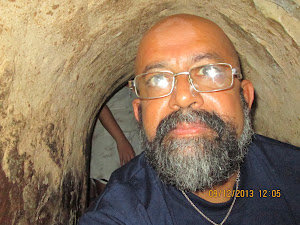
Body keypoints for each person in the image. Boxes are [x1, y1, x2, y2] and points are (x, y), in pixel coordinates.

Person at [80, 14, 300, 225]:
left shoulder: (292, 176)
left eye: (209, 72)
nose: (183, 97)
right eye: (157, 79)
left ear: (245, 97)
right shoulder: (123, 209)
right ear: (139, 113)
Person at [89, 86, 141, 198]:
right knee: (108, 197)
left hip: (135, 135)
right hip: (109, 140)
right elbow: (98, 104)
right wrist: (121, 141)